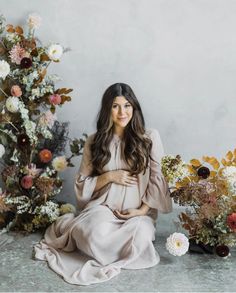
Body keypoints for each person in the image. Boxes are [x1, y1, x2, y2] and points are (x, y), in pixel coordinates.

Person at [34, 83, 172, 286]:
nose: (122, 112)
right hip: (103, 208)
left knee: (141, 237)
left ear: (134, 108)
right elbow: (82, 183)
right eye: (115, 106)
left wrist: (142, 211)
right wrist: (109, 177)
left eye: (127, 105)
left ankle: (116, 247)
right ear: (107, 109)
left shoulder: (149, 137)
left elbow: (157, 178)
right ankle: (84, 231)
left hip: (137, 214)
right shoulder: (94, 141)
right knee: (92, 235)